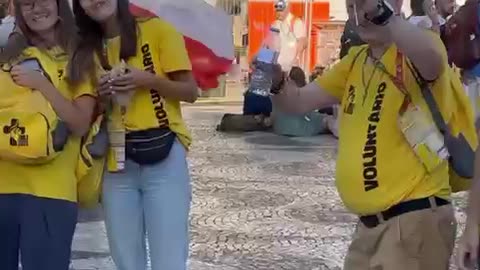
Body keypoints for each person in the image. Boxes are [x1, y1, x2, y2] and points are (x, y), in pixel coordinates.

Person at [272, 0, 457, 268]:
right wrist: (277, 83)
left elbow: (433, 60)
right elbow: (298, 101)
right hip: (369, 226)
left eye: (366, 5)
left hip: (414, 219)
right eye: (351, 7)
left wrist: (384, 16)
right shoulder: (355, 61)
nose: (359, 16)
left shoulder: (417, 47)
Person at [72, 0, 198, 269]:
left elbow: (190, 91)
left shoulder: (158, 30)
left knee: (169, 259)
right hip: (116, 164)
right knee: (126, 260)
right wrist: (102, 98)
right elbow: (86, 113)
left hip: (164, 157)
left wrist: (148, 80)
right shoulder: (86, 50)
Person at [0, 0, 97, 268]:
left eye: (43, 1)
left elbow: (79, 123)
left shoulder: (79, 58)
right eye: (27, 4)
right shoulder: (6, 56)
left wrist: (42, 84)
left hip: (50, 192)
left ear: (59, 5)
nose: (36, 9)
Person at [272, 0, 307, 72]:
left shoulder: (296, 22)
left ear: (287, 8)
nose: (278, 12)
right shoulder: (275, 24)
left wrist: (296, 59)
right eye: (277, 10)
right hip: (277, 68)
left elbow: (302, 42)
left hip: (290, 69)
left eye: (281, 10)